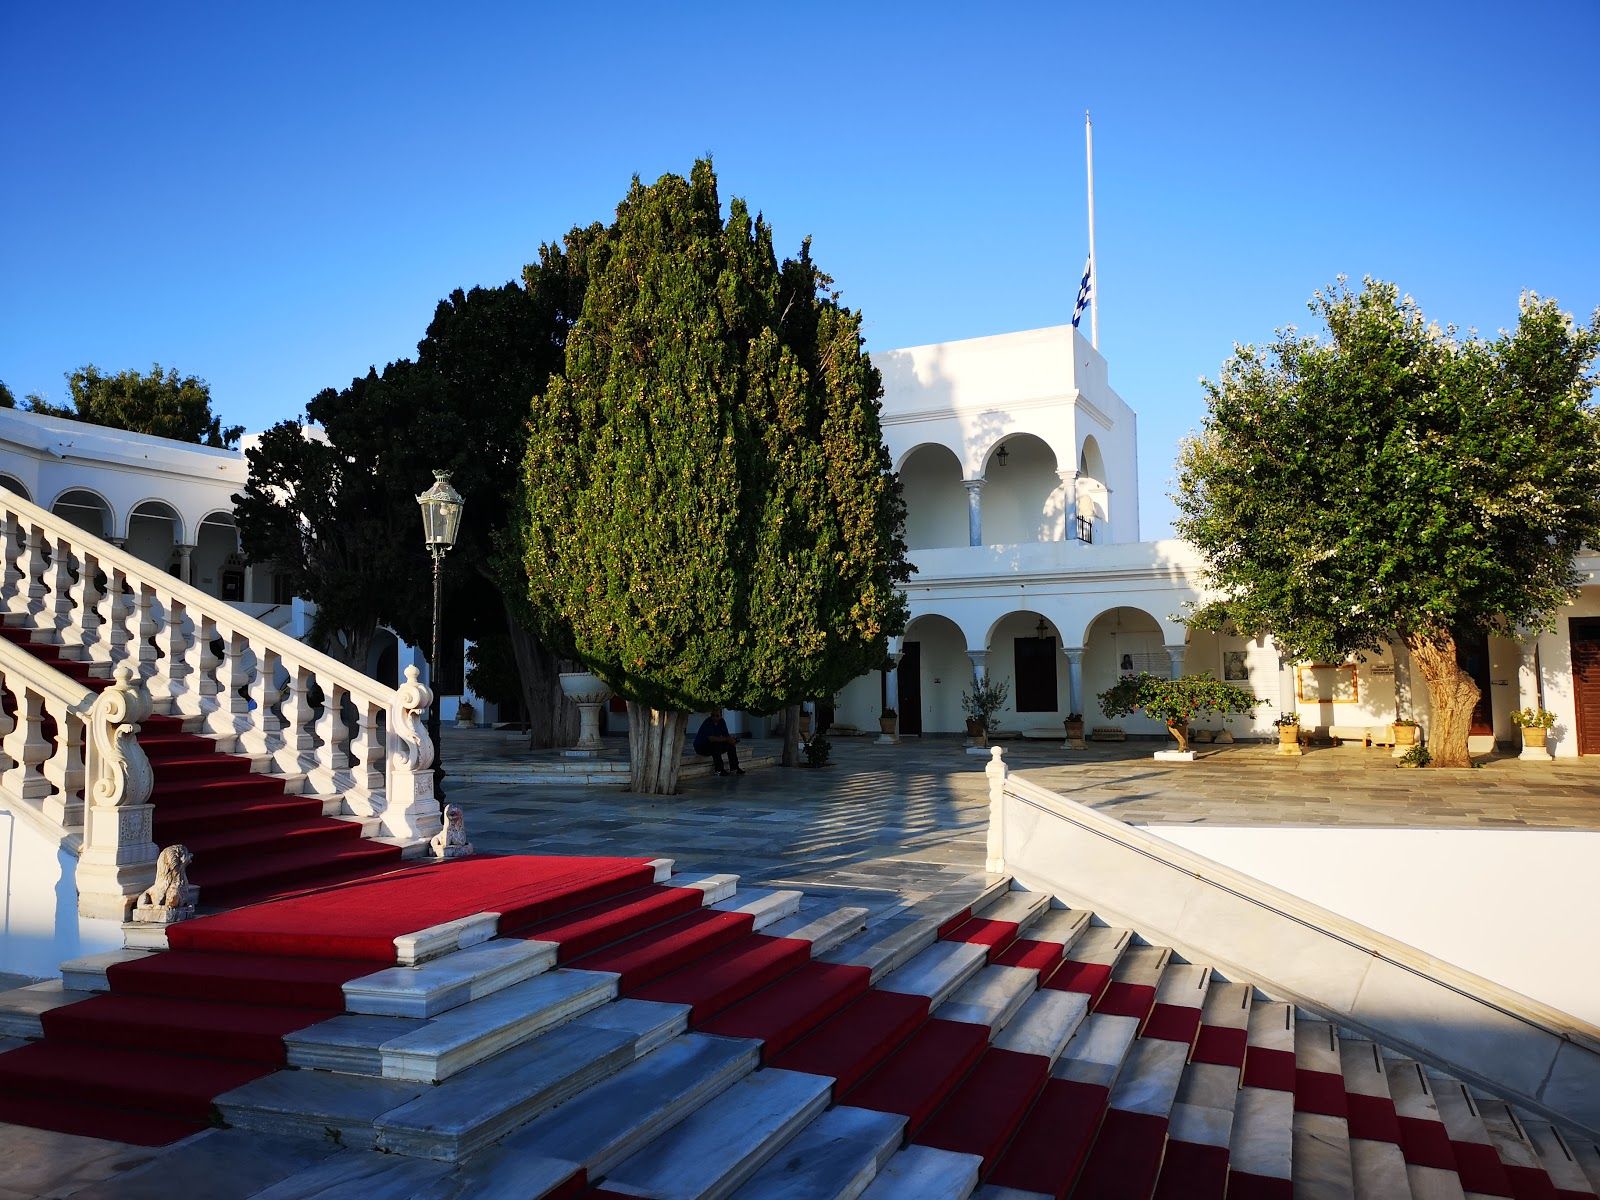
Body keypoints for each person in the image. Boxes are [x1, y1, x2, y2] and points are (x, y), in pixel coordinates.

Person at [693, 711, 743, 776]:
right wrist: (727, 739)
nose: (714, 717)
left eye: (717, 716)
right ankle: (719, 770)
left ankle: (734, 768)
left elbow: (726, 735)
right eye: (713, 715)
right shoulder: (708, 722)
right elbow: (711, 738)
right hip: (701, 747)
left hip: (713, 745)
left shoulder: (721, 722)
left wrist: (732, 740)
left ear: (721, 716)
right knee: (716, 745)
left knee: (731, 745)